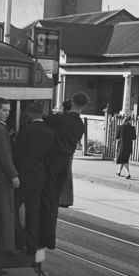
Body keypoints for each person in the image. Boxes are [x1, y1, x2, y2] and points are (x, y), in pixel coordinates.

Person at [39, 92, 89, 250]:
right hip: (65, 165)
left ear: (72, 102)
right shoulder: (80, 125)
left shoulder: (60, 120)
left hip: (51, 162)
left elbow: (42, 120)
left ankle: (43, 237)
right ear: (84, 106)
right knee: (54, 201)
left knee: (46, 201)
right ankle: (50, 239)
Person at [13, 102, 56, 254]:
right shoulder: (50, 133)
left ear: (30, 114)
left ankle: (19, 239)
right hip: (39, 177)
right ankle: (31, 246)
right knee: (33, 212)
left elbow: (17, 153)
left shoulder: (27, 130)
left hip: (24, 177)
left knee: (11, 208)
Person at [0, 98, 20, 254]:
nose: (7, 113)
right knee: (7, 212)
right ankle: (7, 247)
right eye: (4, 110)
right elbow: (4, 156)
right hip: (2, 178)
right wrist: (13, 176)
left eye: (8, 110)